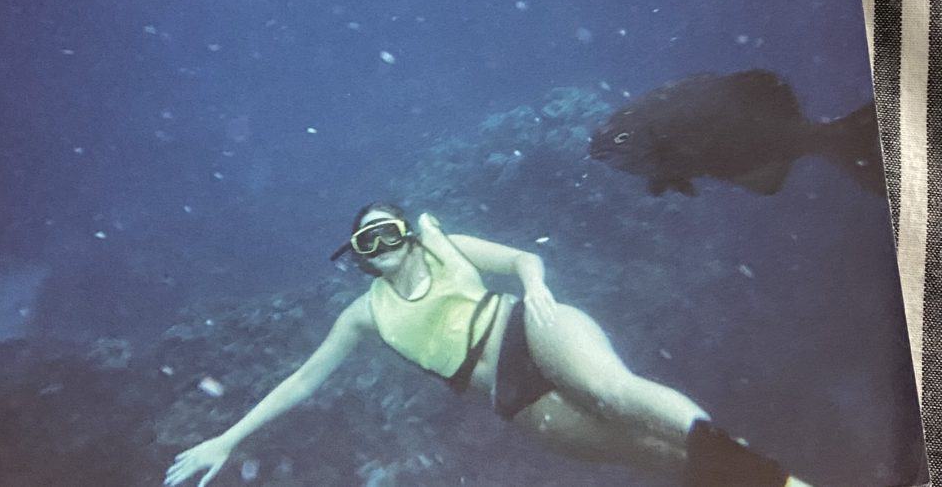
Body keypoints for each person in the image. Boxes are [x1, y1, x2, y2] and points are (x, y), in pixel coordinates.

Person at [164, 202, 811, 487]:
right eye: (368, 242)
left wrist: (538, 287)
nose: (383, 245)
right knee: (647, 456)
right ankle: (757, 476)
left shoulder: (446, 244)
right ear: (358, 258)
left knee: (614, 393)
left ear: (408, 232)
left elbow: (524, 258)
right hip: (509, 396)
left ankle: (771, 476)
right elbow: (302, 382)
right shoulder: (363, 316)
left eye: (388, 231)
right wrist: (230, 437)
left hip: (527, 326)